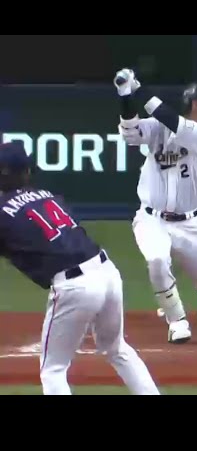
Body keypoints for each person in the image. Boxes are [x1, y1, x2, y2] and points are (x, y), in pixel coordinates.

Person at [0, 142, 160, 395]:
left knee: (53, 370)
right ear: (26, 172)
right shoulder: (47, 196)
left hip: (74, 286)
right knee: (117, 349)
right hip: (107, 272)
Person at [114, 68, 197, 343]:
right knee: (157, 260)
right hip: (151, 219)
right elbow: (130, 132)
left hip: (190, 223)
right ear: (189, 102)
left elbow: (169, 118)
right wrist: (125, 95)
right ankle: (176, 320)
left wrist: (138, 89)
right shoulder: (158, 129)